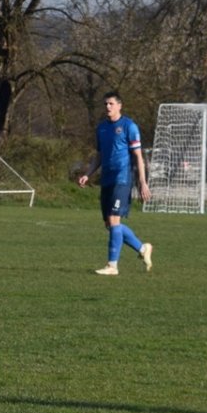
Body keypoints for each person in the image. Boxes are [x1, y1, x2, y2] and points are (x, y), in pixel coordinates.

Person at [77, 91, 152, 275]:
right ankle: (143, 249)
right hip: (107, 180)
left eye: (111, 103)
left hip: (122, 179)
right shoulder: (101, 128)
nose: (107, 107)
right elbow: (99, 156)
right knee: (110, 225)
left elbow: (138, 157)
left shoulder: (129, 126)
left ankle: (112, 266)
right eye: (105, 104)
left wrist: (143, 182)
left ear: (120, 105)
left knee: (114, 220)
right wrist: (88, 174)